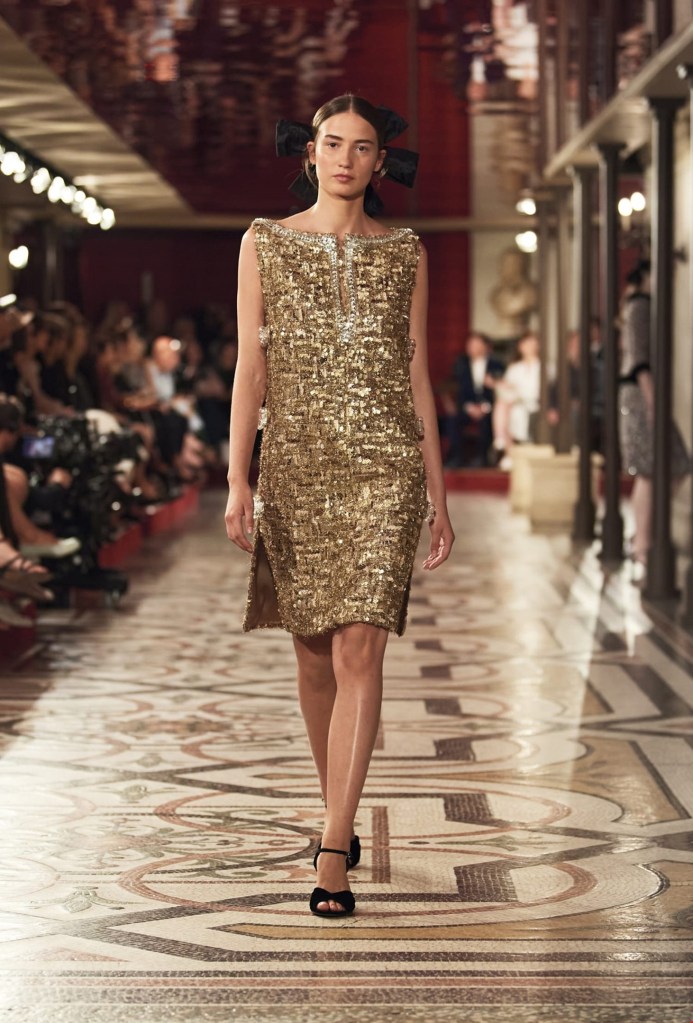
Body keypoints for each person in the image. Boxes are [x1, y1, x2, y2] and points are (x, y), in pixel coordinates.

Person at [224, 94, 454, 919]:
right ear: (310, 152)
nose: (346, 158)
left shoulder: (407, 252)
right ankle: (338, 812)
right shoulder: (264, 240)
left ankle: (331, 846)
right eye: (332, 143)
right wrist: (237, 475)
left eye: (361, 147)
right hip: (296, 465)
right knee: (314, 655)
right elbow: (250, 368)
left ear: (380, 162)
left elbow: (416, 376)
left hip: (385, 469)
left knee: (361, 646)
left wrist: (436, 493)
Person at [619, 260, 689, 573]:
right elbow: (639, 360)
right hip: (641, 394)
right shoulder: (639, 305)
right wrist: (652, 402)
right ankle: (642, 543)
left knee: (670, 465)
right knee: (650, 469)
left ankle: (642, 537)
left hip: (644, 393)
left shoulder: (642, 305)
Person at [442, 331, 504, 467]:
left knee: (488, 423)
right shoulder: (461, 365)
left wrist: (485, 407)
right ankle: (456, 458)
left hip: (489, 408)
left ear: (486, 346)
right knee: (452, 421)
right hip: (467, 407)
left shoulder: (497, 365)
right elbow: (458, 389)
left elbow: (501, 390)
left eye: (476, 344)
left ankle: (483, 459)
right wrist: (469, 407)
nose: (472, 347)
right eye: (470, 344)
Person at [492, 330, 541, 470]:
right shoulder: (514, 368)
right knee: (503, 405)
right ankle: (506, 447)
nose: (529, 346)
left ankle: (502, 440)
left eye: (531, 343)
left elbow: (537, 390)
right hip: (514, 403)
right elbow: (505, 390)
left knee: (505, 406)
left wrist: (515, 390)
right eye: (525, 343)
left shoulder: (543, 366)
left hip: (534, 403)